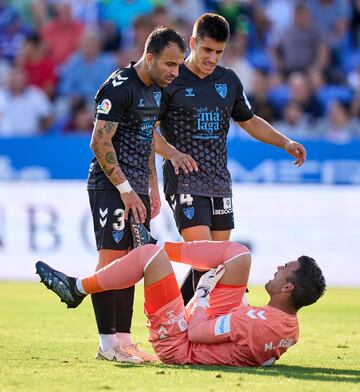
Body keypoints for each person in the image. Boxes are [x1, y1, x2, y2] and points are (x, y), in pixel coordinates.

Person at [154, 13, 307, 304]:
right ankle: (169, 323)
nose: (212, 58)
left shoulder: (228, 81)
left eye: (219, 52)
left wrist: (284, 141)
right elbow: (147, 130)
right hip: (185, 181)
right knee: (208, 259)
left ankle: (176, 324)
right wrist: (172, 153)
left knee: (214, 267)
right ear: (193, 43)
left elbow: (249, 121)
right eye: (207, 50)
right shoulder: (171, 79)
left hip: (220, 183)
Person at [35, 239, 326, 367]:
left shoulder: (250, 323)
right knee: (239, 255)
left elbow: (199, 332)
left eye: (284, 268)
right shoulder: (290, 327)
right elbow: (254, 343)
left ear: (287, 287)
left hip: (182, 343)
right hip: (223, 326)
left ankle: (77, 288)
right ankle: (163, 244)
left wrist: (202, 293)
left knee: (149, 257)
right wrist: (239, 306)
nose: (277, 267)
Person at [86, 27, 186, 363]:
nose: (175, 72)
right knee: (111, 262)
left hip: (137, 189)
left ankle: (124, 342)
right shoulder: (120, 86)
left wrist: (152, 188)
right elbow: (100, 142)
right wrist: (127, 191)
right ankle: (106, 344)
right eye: (170, 64)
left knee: (131, 264)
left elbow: (147, 136)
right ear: (151, 56)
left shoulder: (156, 92)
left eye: (179, 65)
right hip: (111, 187)